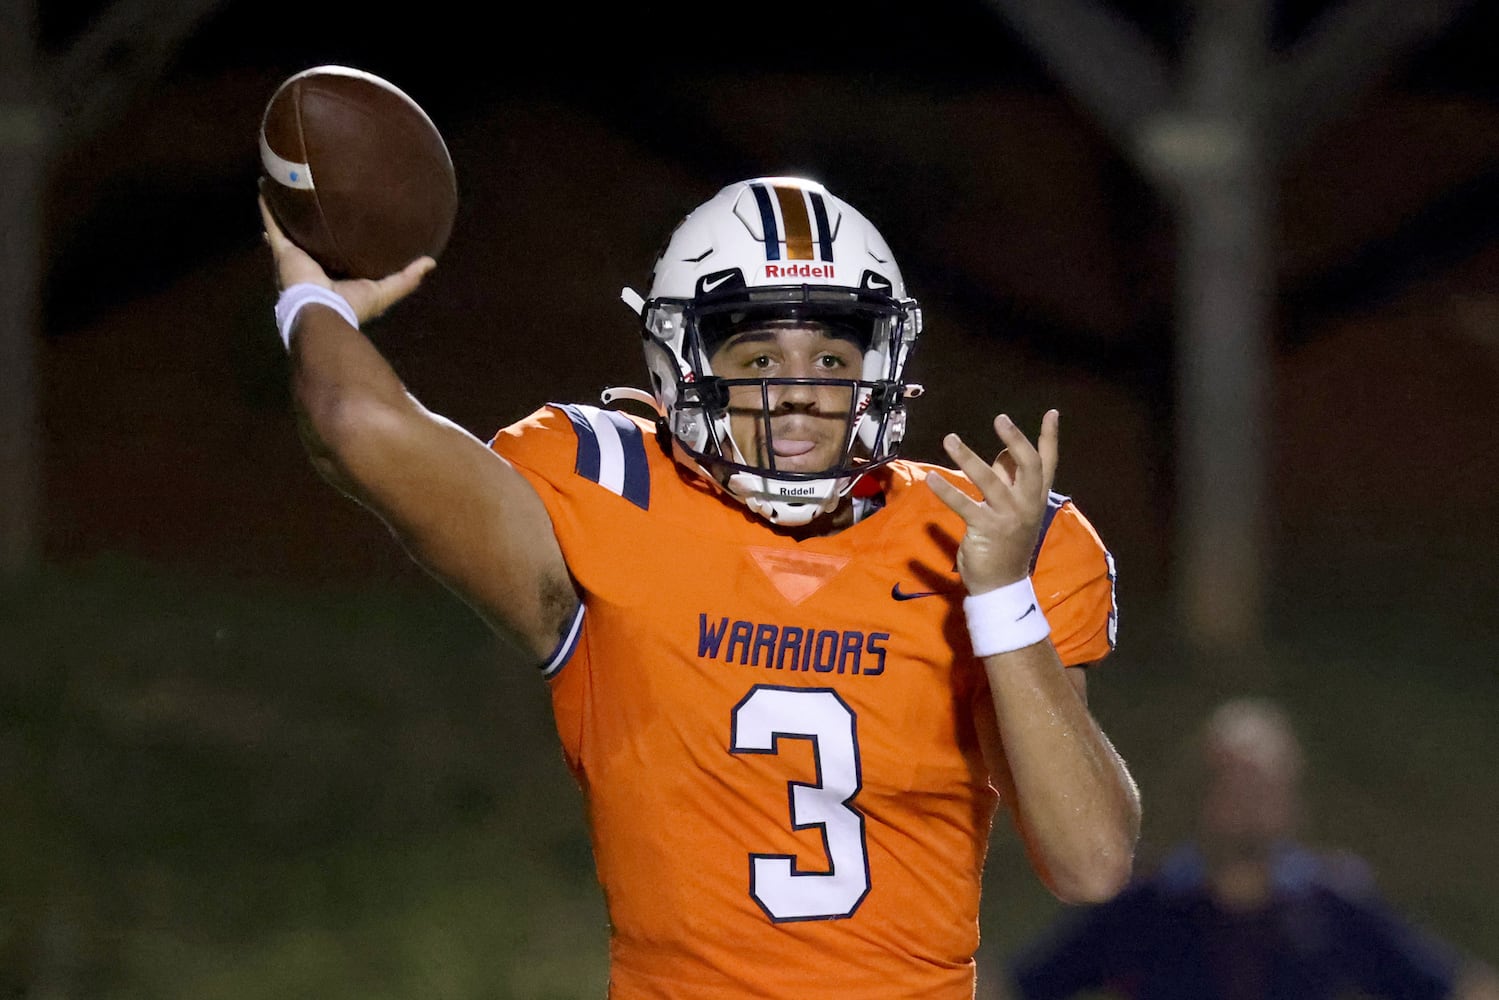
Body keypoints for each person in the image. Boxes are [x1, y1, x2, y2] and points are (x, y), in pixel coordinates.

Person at [257, 174, 1141, 998]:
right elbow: (354, 424)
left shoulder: (993, 541)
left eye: (830, 360)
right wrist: (316, 301)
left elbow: (1091, 863)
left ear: (881, 366)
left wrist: (997, 596)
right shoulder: (603, 492)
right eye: (757, 360)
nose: (796, 393)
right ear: (677, 361)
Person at [1007, 696, 1499, 1000]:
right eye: (1232, 781)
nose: (1247, 801)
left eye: (1263, 785)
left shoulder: (1331, 904)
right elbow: (1020, 986)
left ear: (1293, 800)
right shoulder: (1144, 907)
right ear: (1202, 794)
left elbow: (1452, 986)